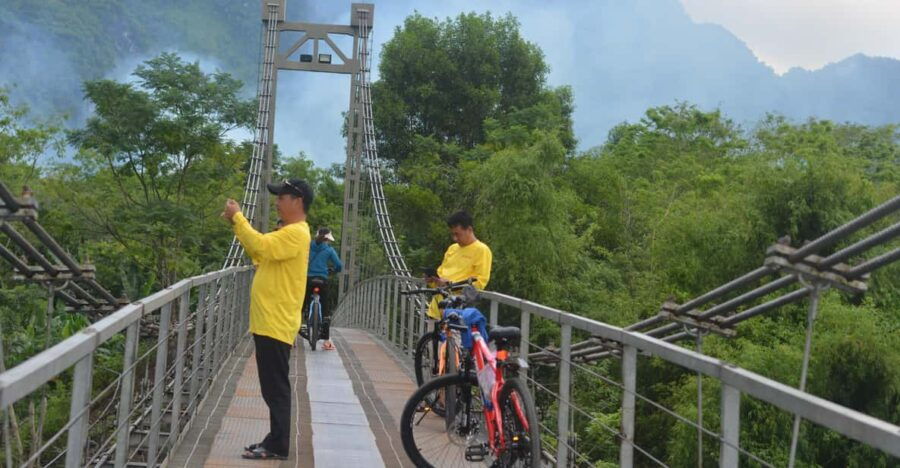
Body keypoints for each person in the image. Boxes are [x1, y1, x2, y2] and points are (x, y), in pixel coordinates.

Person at [221, 178, 313, 460]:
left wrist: (238, 218)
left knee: (275, 388)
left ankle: (278, 445)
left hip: (275, 321)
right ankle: (274, 439)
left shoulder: (295, 233)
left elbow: (259, 245)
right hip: (270, 321)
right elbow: (261, 251)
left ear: (297, 202)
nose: (277, 201)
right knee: (272, 386)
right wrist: (240, 227)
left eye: (282, 197)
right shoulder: (288, 233)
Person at [425, 210, 493, 319]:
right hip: (435, 311)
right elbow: (441, 275)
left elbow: (479, 283)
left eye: (457, 234)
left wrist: (451, 284)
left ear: (469, 230)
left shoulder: (482, 250)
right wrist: (433, 280)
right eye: (452, 234)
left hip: (457, 314)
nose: (455, 238)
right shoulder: (452, 249)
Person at [301, 227, 343, 350]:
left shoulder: (307, 246)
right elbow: (339, 265)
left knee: (300, 307)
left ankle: (292, 337)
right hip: (322, 280)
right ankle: (326, 341)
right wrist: (334, 270)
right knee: (325, 309)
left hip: (308, 279)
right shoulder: (329, 250)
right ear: (328, 239)